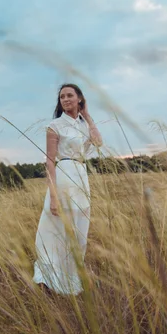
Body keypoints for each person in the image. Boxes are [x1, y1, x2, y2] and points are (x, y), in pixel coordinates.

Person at [32, 84, 103, 295]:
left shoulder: (83, 124)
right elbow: (50, 162)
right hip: (63, 176)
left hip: (81, 176)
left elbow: (98, 142)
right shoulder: (55, 126)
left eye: (70, 95)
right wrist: (53, 196)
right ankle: (49, 279)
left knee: (80, 229)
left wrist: (88, 116)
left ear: (80, 99)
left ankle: (71, 278)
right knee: (58, 229)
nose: (66, 99)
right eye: (62, 96)